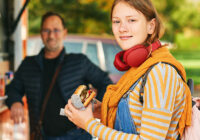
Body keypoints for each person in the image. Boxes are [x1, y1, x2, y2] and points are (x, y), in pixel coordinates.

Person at [64, 0, 192, 139]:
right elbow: (137, 115)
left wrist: (89, 124)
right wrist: (97, 109)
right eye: (116, 21)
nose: (122, 28)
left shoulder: (160, 72)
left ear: (151, 26)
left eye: (131, 20)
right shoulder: (139, 69)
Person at [5, 11, 112, 140]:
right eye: (46, 30)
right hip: (42, 135)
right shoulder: (28, 64)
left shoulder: (79, 61)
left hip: (77, 135)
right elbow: (12, 88)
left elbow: (106, 83)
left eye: (56, 30)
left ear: (64, 33)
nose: (51, 35)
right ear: (41, 33)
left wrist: (94, 109)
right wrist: (16, 101)